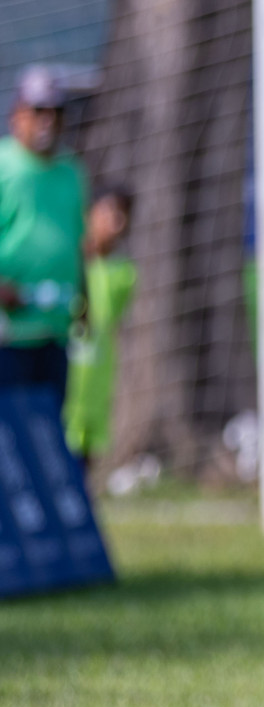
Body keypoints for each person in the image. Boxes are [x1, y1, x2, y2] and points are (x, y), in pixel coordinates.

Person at [0, 66, 87, 416]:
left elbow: (75, 243)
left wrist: (86, 299)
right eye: (38, 110)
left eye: (57, 111)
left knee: (47, 428)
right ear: (17, 113)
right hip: (9, 334)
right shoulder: (4, 165)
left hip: (55, 331)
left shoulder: (72, 172)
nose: (48, 120)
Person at [64, 185, 136, 473]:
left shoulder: (124, 273)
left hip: (95, 381)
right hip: (64, 376)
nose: (115, 223)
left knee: (83, 461)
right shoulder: (68, 262)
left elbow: (110, 321)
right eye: (108, 212)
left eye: (122, 215)